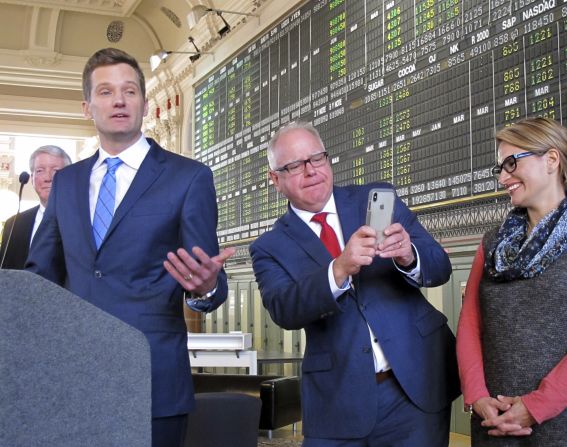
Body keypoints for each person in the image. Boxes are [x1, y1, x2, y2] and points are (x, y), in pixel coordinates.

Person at [26, 48, 234, 447]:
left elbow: (210, 278)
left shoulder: (187, 178)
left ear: (143, 102)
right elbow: (40, 277)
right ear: (88, 107)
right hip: (72, 380)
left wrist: (205, 287)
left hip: (153, 377)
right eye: (105, 92)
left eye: (129, 91)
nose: (118, 100)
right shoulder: (66, 183)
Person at [250, 121, 459, 446]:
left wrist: (408, 255)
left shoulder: (376, 199)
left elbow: (440, 266)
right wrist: (338, 270)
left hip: (416, 386)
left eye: (316, 158)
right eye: (294, 166)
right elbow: (284, 309)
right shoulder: (269, 246)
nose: (311, 171)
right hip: (338, 400)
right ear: (275, 179)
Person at [456, 117, 567, 446]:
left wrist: (535, 406)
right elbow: (469, 325)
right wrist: (476, 396)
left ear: (551, 160)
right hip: (493, 422)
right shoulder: (491, 244)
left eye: (511, 163)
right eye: (500, 168)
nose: (504, 177)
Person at [0, 145, 71, 269]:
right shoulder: (14, 225)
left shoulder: (85, 220)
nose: (48, 178)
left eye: (55, 170)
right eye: (39, 170)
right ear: (31, 178)